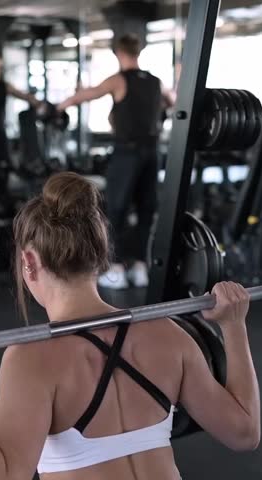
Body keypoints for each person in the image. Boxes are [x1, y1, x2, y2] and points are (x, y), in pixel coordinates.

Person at [0, 172, 260, 480]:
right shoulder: (169, 334)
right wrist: (233, 325)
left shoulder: (31, 360)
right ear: (100, 254)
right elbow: (244, 433)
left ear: (28, 261)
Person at [56, 34, 175, 290]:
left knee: (116, 211)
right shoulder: (156, 82)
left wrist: (60, 106)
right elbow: (173, 102)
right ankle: (141, 267)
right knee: (146, 210)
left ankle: (117, 269)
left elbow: (89, 94)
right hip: (152, 153)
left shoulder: (120, 79)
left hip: (127, 153)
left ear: (119, 54)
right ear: (138, 52)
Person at [0, 52, 42, 198]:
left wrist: (39, 104)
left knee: (4, 168)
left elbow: (24, 96)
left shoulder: (4, 86)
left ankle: (2, 199)